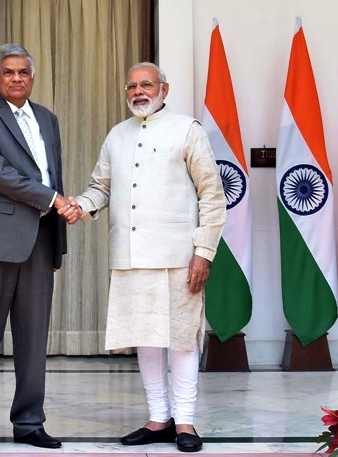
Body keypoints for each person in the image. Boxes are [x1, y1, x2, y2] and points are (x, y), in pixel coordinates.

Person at [61, 62, 226, 452]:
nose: (138, 91)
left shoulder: (187, 130)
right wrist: (79, 206)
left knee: (182, 339)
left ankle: (185, 421)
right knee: (147, 340)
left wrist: (204, 253)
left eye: (146, 84)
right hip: (130, 256)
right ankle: (158, 418)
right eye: (132, 86)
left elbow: (212, 195)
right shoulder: (117, 135)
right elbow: (101, 187)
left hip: (178, 256)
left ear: (164, 89)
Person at [0, 43, 71, 453]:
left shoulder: (48, 118)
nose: (16, 78)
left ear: (32, 77)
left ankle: (29, 422)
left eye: (23, 72)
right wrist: (54, 199)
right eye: (8, 72)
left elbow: (54, 174)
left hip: (40, 239)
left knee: (34, 337)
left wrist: (58, 226)